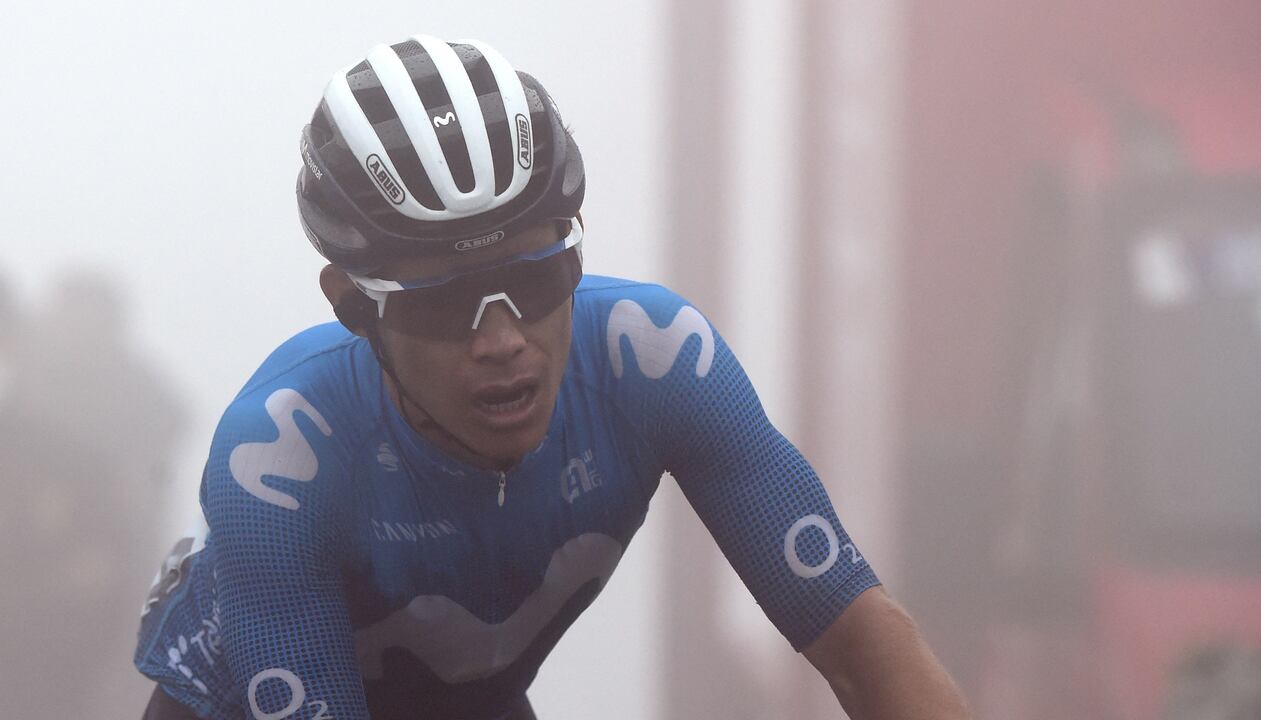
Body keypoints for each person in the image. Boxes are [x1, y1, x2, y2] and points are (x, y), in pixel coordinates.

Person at [133, 35, 971, 720]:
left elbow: (867, 649)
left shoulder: (655, 360)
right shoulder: (280, 457)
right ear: (354, 306)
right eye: (443, 302)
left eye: (536, 279)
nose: (501, 339)